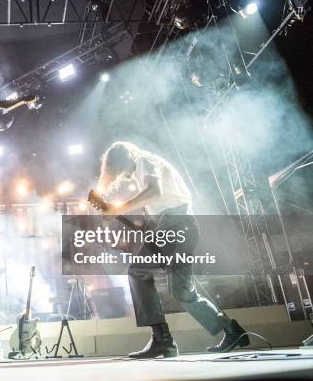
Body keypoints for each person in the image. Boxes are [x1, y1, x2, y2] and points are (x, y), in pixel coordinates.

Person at [97, 141, 249, 358]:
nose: (123, 175)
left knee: (138, 271)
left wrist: (119, 208)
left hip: (177, 224)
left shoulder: (144, 162)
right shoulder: (141, 171)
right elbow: (156, 208)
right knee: (182, 291)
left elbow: (154, 192)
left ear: (126, 158)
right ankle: (233, 331)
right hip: (178, 226)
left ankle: (163, 340)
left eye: (121, 170)